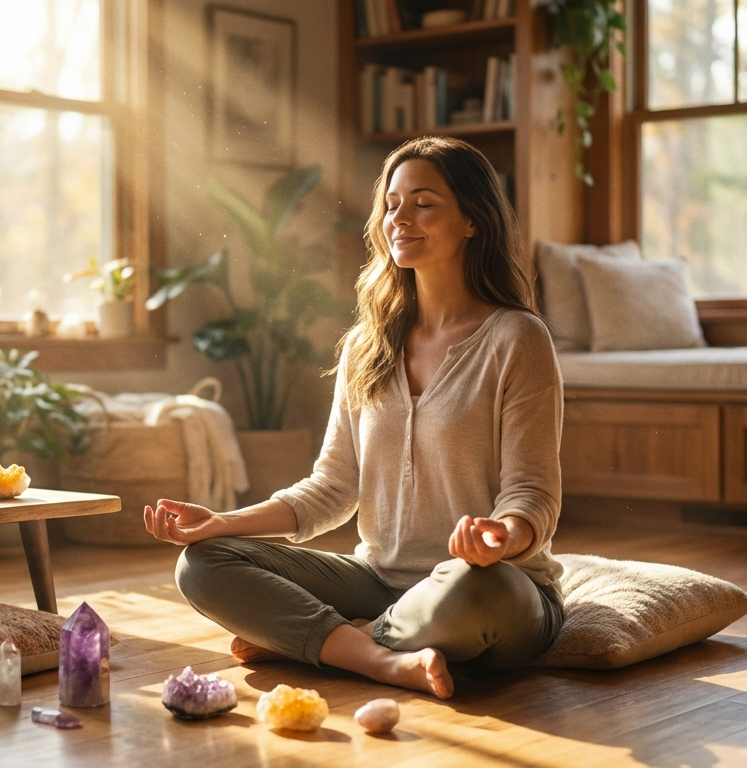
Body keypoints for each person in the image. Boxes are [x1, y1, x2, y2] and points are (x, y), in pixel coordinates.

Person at [144, 136, 564, 699]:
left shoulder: (516, 338)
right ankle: (380, 657)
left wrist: (501, 539)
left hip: (487, 588)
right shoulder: (367, 345)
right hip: (377, 583)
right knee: (201, 564)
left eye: (424, 202)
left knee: (478, 589)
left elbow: (532, 492)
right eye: (391, 204)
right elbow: (332, 488)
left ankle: (334, 642)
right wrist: (222, 522)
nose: (400, 218)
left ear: (472, 221)